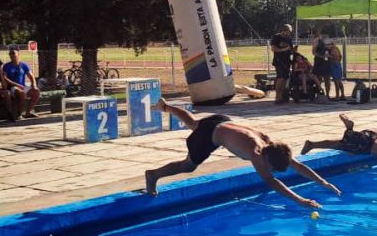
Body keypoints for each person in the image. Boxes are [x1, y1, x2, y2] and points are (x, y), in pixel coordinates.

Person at [145, 98, 341, 209]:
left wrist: (322, 181)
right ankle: (153, 175)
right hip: (209, 136)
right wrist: (301, 200)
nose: (269, 169)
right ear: (266, 159)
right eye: (270, 167)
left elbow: (297, 164)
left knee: (194, 123)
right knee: (188, 166)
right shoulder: (257, 154)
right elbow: (272, 182)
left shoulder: (271, 145)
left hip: (222, 121)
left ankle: (165, 106)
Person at [3, 47, 40, 118]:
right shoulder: (6, 66)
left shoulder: (24, 65)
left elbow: (31, 76)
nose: (11, 55)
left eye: (13, 53)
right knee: (21, 93)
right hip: (12, 87)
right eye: (10, 53)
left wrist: (34, 85)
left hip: (22, 86)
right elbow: (5, 78)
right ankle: (19, 113)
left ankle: (28, 112)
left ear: (18, 54)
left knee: (36, 92)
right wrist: (17, 85)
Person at [269, 24, 293, 104]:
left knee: (285, 78)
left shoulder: (288, 38)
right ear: (284, 30)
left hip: (287, 61)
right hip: (279, 61)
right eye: (288, 32)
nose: (288, 33)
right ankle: (277, 97)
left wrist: (293, 50)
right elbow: (273, 49)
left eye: (289, 32)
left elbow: (290, 49)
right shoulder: (276, 37)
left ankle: (281, 96)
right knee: (280, 78)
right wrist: (284, 49)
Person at [311, 28, 332, 97]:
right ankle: (319, 94)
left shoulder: (327, 39)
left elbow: (331, 47)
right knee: (319, 78)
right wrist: (321, 56)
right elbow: (313, 52)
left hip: (327, 61)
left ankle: (327, 95)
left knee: (327, 79)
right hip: (319, 61)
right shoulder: (316, 40)